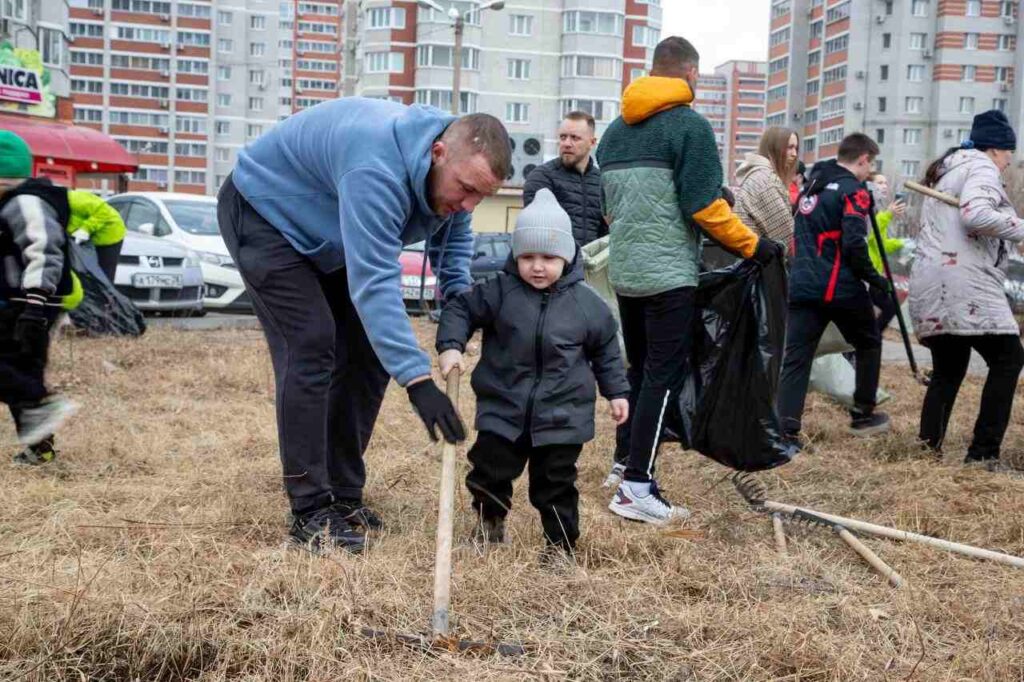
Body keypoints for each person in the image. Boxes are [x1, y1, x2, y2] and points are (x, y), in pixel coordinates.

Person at [217, 99, 510, 553]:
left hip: (328, 232)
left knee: (369, 353)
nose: (468, 204)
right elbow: (376, 283)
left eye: (481, 197)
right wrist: (416, 381)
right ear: (438, 153)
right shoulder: (376, 167)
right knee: (311, 344)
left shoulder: (450, 181)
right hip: (263, 214)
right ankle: (311, 509)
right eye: (466, 189)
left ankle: (343, 493)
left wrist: (458, 306)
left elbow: (452, 248)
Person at [596, 36, 783, 524]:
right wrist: (754, 246)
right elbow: (702, 206)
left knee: (639, 373)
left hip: (627, 272)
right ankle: (638, 485)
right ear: (691, 74)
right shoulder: (689, 127)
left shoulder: (614, 133)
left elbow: (608, 208)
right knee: (663, 376)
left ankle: (623, 465)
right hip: (669, 276)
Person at [436, 189, 629, 557]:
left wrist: (617, 392)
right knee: (489, 473)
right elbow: (461, 309)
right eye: (527, 256)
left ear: (567, 256)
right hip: (503, 409)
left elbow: (606, 348)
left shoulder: (587, 304)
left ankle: (560, 547)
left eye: (548, 257)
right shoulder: (500, 292)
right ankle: (489, 526)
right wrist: (450, 345)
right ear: (515, 256)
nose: (537, 266)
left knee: (555, 484)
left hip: (562, 416)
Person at [909, 110, 1024, 469]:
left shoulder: (947, 169)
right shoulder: (982, 167)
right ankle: (983, 454)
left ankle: (928, 452)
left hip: (930, 279)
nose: (1008, 164)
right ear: (997, 149)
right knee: (1008, 358)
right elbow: (975, 215)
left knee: (949, 366)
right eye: (1009, 155)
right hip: (964, 282)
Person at [776, 133, 891, 446]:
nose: (870, 172)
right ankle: (863, 414)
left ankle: (784, 431)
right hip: (838, 287)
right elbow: (854, 244)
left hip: (801, 285)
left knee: (796, 358)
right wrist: (877, 281)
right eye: (871, 164)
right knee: (868, 342)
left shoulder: (810, 188)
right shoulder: (854, 192)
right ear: (863, 159)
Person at [0, 131, 78, 464]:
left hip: (30, 303)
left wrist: (34, 304)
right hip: (22, 302)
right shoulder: (11, 201)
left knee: (18, 373)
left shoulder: (25, 201)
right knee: (24, 369)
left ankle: (43, 403)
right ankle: (40, 450)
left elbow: (45, 249)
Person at [523, 111, 606, 246]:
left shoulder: (602, 182)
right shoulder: (542, 178)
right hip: (555, 264)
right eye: (563, 137)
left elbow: (606, 235)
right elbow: (537, 232)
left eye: (574, 138)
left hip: (591, 265)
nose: (567, 143)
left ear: (592, 143)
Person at [734, 127, 799, 244]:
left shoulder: (760, 176)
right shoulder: (766, 181)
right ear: (775, 149)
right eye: (790, 147)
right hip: (760, 259)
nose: (794, 154)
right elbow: (787, 239)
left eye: (796, 148)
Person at [865, 172, 906, 332]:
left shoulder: (879, 208)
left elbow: (880, 243)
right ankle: (871, 339)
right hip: (866, 273)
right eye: (880, 183)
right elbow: (870, 235)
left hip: (874, 270)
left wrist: (902, 243)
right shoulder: (869, 205)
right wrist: (888, 214)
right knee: (888, 306)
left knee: (891, 306)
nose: (884, 186)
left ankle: (872, 337)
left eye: (885, 183)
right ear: (870, 185)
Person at [67, 190, 127, 282]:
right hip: (87, 240)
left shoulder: (74, 199)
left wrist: (86, 228)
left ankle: (106, 295)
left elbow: (103, 212)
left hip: (110, 234)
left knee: (104, 276)